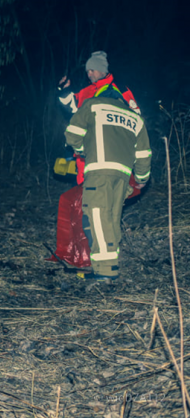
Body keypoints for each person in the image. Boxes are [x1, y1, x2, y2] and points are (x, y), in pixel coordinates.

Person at [54, 51, 143, 268]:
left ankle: (104, 266)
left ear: (97, 70)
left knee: (101, 214)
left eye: (90, 70)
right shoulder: (85, 92)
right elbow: (72, 110)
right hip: (88, 163)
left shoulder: (120, 92)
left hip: (110, 161)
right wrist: (64, 91)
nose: (89, 74)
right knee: (89, 211)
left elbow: (135, 120)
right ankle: (90, 259)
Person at [64, 84, 151, 281]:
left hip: (99, 171)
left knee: (97, 217)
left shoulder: (93, 105)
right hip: (122, 176)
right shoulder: (135, 118)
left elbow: (72, 134)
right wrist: (141, 179)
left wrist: (81, 149)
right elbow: (143, 154)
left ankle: (104, 272)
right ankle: (110, 264)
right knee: (111, 219)